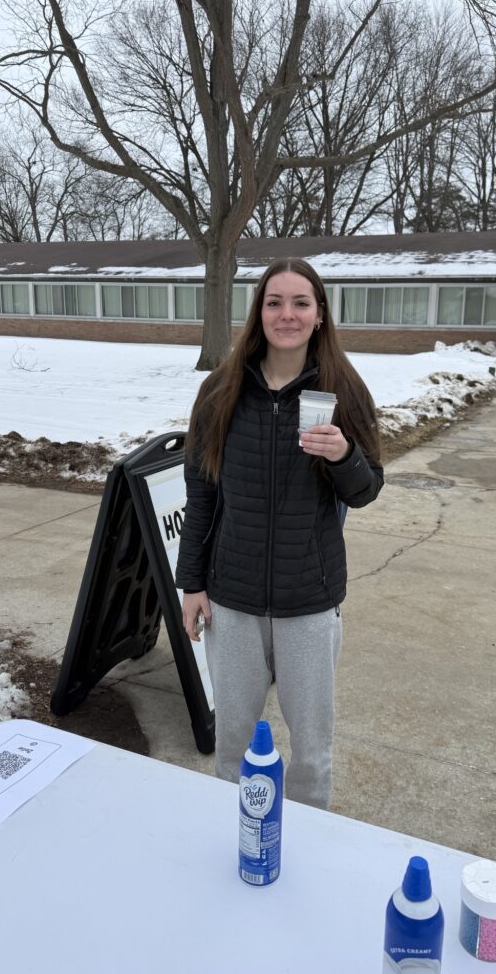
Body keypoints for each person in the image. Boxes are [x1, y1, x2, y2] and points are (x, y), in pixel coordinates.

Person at [175, 257, 383, 809]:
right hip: (233, 601)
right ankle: (235, 831)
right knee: (233, 744)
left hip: (308, 603)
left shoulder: (344, 389)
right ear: (258, 312)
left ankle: (308, 847)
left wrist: (344, 456)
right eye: (274, 302)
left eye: (300, 303)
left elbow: (366, 490)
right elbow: (201, 494)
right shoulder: (221, 390)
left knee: (311, 752)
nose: (286, 314)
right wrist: (191, 585)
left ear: (319, 316)